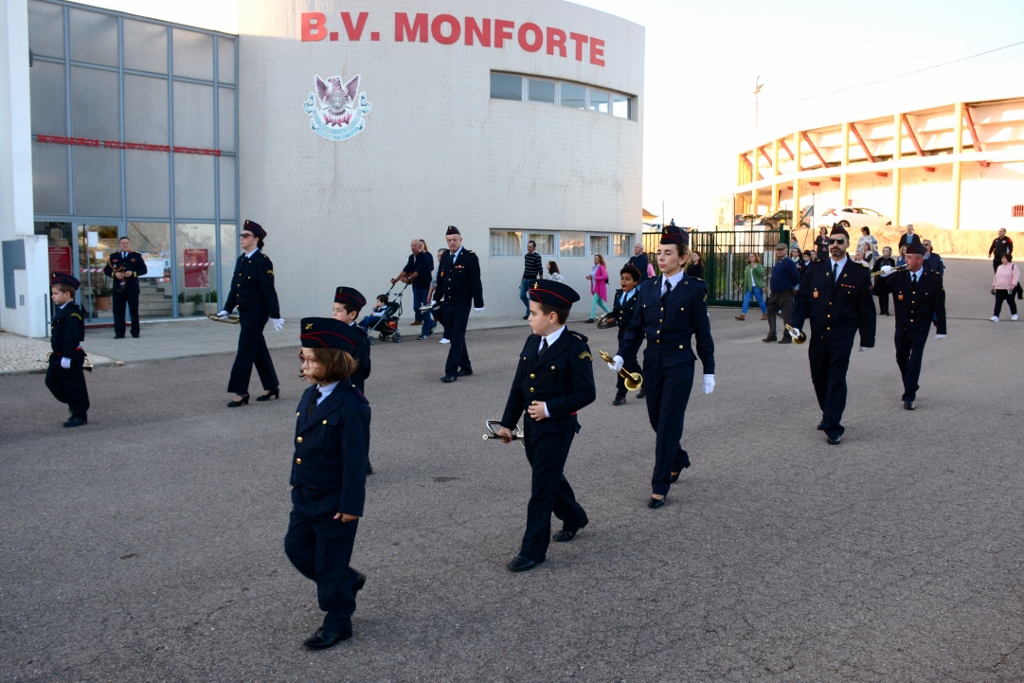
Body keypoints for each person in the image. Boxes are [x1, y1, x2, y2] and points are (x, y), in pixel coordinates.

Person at [610, 225, 715, 508]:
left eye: (668, 253)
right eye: (659, 252)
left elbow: (703, 334)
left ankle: (660, 485)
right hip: (653, 362)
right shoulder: (648, 287)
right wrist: (622, 354)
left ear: (682, 258)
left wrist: (709, 369)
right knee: (657, 420)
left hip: (680, 364)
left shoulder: (694, 290)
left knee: (669, 423)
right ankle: (678, 459)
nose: (661, 257)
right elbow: (635, 328)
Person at [496, 280, 596, 572]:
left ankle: (533, 550)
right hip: (531, 425)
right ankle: (575, 516)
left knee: (541, 486)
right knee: (549, 477)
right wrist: (507, 424)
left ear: (552, 317)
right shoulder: (532, 341)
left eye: (533, 313)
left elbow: (586, 393)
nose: (529, 317)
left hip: (558, 427)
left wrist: (550, 408)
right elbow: (519, 386)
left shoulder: (575, 349)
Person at [285, 317, 370, 650]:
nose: (305, 365)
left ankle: (339, 621)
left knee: (330, 564)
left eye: (311, 360)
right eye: (303, 358)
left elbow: (355, 461)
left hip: (335, 502)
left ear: (333, 361)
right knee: (296, 549)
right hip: (305, 493)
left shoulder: (353, 406)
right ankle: (348, 582)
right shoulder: (310, 395)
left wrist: (351, 506)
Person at [789, 225, 876, 445]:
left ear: (847, 244)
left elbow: (866, 309)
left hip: (842, 336)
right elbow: (802, 301)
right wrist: (795, 327)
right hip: (818, 336)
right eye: (832, 242)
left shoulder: (859, 273)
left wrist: (867, 339)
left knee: (836, 379)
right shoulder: (815, 270)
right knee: (819, 378)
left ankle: (834, 426)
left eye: (840, 241)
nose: (835, 245)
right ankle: (827, 413)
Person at [218, 220, 284, 407]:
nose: (242, 238)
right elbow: (235, 287)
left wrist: (275, 314)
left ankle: (241, 391)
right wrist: (227, 308)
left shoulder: (262, 262)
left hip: (257, 312)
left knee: (245, 349)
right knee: (257, 349)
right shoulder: (241, 260)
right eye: (241, 235)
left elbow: (268, 289)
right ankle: (271, 386)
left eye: (245, 235)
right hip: (244, 311)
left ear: (256, 239)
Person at [884, 244, 946, 410]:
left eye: (910, 257)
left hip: (920, 327)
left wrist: (941, 328)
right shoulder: (898, 276)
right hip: (902, 326)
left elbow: (939, 304)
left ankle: (909, 394)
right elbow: (878, 291)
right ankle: (911, 384)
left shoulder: (933, 279)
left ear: (919, 260)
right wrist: (883, 276)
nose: (906, 260)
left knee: (916, 360)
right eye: (906, 256)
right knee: (901, 358)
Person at [433, 226, 484, 383]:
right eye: (449, 240)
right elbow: (441, 281)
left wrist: (478, 302)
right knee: (457, 336)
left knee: (455, 338)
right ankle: (466, 366)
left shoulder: (469, 257)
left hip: (462, 304)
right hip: (448, 304)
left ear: (460, 240)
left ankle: (451, 371)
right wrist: (436, 298)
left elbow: (475, 281)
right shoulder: (446, 256)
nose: (452, 243)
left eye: (454, 240)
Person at [46, 273, 90, 428]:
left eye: (55, 294)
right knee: (51, 381)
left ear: (67, 294)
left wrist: (67, 357)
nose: (53, 297)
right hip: (58, 355)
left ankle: (79, 413)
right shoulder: (62, 310)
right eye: (52, 293)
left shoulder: (72, 313)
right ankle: (74, 403)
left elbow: (71, 337)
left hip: (69, 355)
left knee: (74, 385)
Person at [605, 264, 642, 405]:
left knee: (624, 361)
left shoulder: (639, 297)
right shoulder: (619, 294)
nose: (624, 282)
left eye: (627, 279)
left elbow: (636, 317)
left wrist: (616, 319)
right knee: (631, 360)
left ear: (635, 282)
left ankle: (621, 394)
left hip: (635, 335)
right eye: (622, 278)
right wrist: (609, 318)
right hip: (622, 333)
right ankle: (646, 385)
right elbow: (616, 311)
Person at [102, 236, 148, 339]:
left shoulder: (136, 256)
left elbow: (144, 270)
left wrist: (133, 273)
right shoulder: (114, 257)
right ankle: (119, 333)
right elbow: (107, 270)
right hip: (119, 288)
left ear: (129, 244)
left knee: (134, 311)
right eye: (123, 243)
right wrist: (115, 275)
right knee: (118, 311)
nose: (125, 245)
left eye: (127, 243)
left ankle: (135, 332)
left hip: (132, 288)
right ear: (119, 245)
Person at [331, 287, 371, 393]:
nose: (334, 313)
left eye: (339, 310)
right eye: (333, 309)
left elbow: (363, 366)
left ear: (352, 314)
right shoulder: (333, 333)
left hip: (350, 387)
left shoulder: (358, 336)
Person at [391, 239, 434, 337]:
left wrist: (408, 278)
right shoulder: (411, 257)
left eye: (415, 245)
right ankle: (431, 323)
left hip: (425, 286)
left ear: (420, 247)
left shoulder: (425, 257)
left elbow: (419, 271)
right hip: (416, 286)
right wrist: (396, 279)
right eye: (411, 245)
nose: (413, 247)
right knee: (416, 307)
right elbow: (406, 269)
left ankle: (425, 333)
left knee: (425, 309)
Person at [764, 243, 800, 344]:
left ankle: (787, 336)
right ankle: (772, 334)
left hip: (785, 293)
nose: (779, 251)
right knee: (770, 312)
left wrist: (790, 286)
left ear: (786, 250)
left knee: (787, 317)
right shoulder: (778, 262)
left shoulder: (789, 262)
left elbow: (796, 277)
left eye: (781, 250)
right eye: (778, 250)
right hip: (775, 293)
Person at [735, 252, 767, 321]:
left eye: (752, 256)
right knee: (746, 301)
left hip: (757, 286)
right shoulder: (748, 266)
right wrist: (741, 284)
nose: (751, 257)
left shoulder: (758, 265)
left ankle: (765, 314)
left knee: (760, 301)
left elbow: (761, 273)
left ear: (755, 257)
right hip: (749, 286)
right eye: (750, 256)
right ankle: (742, 315)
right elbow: (746, 277)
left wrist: (756, 268)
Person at [518, 240, 544, 319]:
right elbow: (526, 269)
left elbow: (540, 269)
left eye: (530, 247)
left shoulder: (537, 257)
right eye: (528, 247)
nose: (528, 248)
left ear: (534, 248)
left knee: (532, 297)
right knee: (522, 295)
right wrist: (522, 280)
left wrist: (540, 281)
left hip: (533, 281)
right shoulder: (526, 256)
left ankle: (528, 314)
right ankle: (531, 310)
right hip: (525, 279)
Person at [991, 254, 1020, 321]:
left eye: (1004, 258)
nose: (1002, 259)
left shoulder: (1013, 267)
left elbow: (1016, 277)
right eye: (1002, 258)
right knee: (998, 301)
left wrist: (1013, 285)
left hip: (1009, 288)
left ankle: (1014, 314)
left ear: (1008, 259)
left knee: (1010, 301)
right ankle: (996, 316)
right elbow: (996, 277)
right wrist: (994, 285)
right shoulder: (1000, 267)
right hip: (999, 287)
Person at [429, 249, 449, 344]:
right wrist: (429, 294)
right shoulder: (437, 268)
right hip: (438, 293)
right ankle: (448, 327)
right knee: (434, 309)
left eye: (441, 255)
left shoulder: (450, 266)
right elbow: (433, 282)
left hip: (447, 294)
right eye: (438, 255)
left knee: (446, 313)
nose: (439, 257)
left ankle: (448, 334)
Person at [585, 254, 610, 323]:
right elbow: (593, 275)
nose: (595, 260)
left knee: (593, 301)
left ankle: (592, 317)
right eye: (594, 258)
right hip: (595, 286)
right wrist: (590, 277)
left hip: (599, 287)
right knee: (600, 303)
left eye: (596, 258)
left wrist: (596, 278)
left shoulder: (601, 267)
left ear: (600, 260)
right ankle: (611, 314)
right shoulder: (594, 267)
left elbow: (605, 276)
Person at [872, 246, 896, 315]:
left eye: (887, 251)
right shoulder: (879, 260)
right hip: (880, 279)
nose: (886, 252)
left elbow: (893, 270)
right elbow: (875, 269)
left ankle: (886, 310)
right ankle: (882, 310)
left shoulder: (891, 261)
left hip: (888, 280)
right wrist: (879, 273)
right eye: (885, 251)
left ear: (890, 253)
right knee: (880, 295)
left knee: (885, 295)